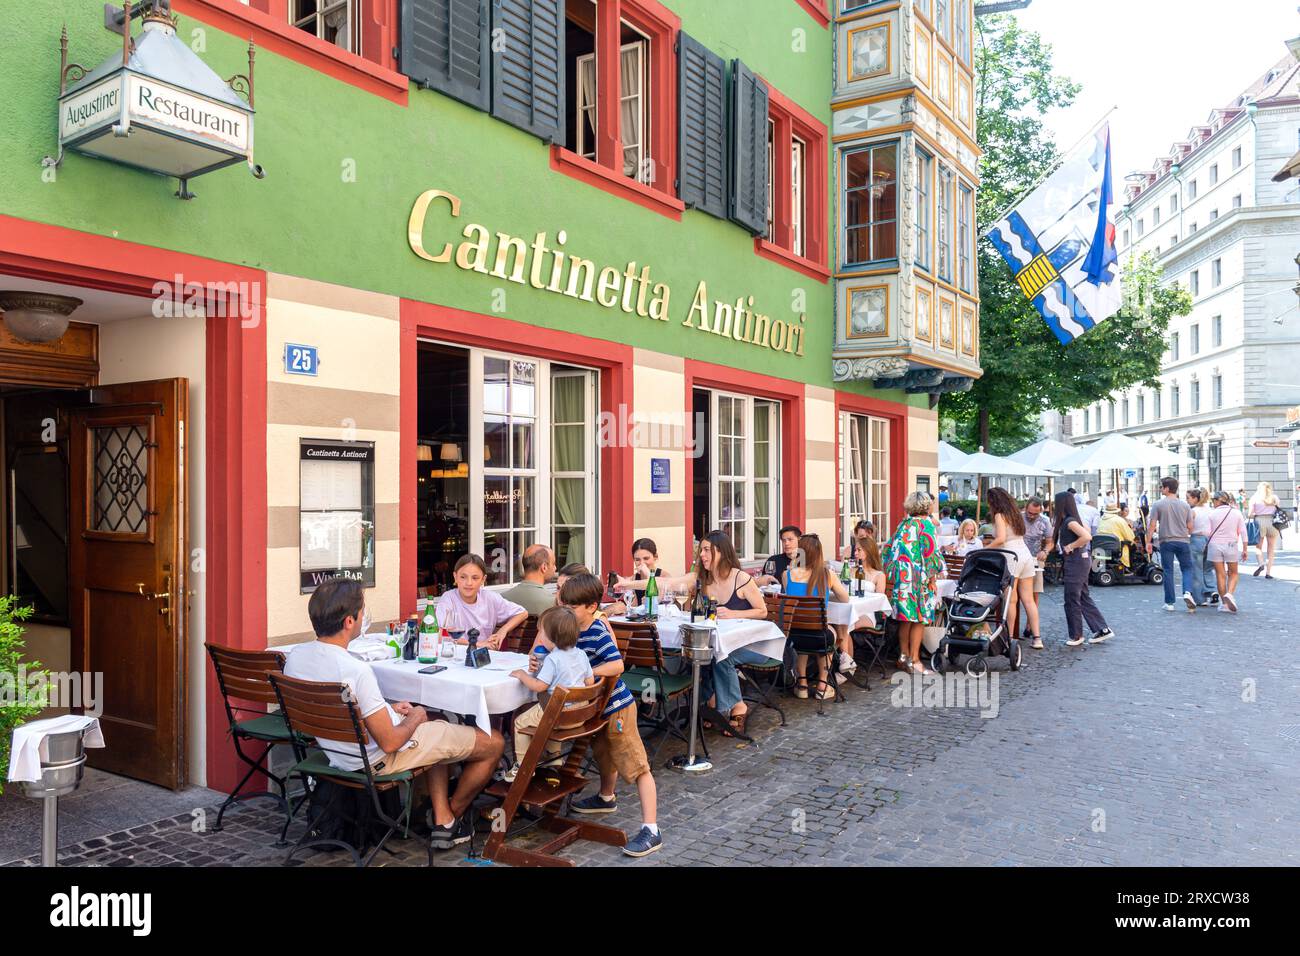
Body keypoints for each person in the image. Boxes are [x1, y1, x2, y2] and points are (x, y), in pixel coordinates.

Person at [284, 578, 504, 850]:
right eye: (362, 610)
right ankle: (448, 818)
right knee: (494, 742)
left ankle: (436, 809)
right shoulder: (355, 670)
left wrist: (390, 709)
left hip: (338, 754)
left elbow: (350, 710)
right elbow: (389, 742)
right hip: (377, 761)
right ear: (350, 621)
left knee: (439, 721)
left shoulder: (296, 657)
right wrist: (416, 716)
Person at [615, 531, 773, 732]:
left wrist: (733, 613)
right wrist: (627, 584)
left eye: (707, 550)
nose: (702, 555)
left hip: (750, 645)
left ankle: (736, 705)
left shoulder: (741, 578)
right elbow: (664, 584)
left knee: (719, 656)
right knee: (696, 654)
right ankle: (709, 704)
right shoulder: (702, 577)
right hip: (716, 642)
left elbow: (763, 611)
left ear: (722, 552)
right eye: (701, 551)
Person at [559, 573, 662, 857]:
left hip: (617, 707)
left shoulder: (596, 631)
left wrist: (591, 672)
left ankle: (652, 829)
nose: (566, 611)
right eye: (564, 605)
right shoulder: (572, 628)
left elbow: (616, 664)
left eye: (572, 607)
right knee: (603, 753)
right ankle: (606, 797)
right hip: (596, 708)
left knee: (636, 763)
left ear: (591, 606)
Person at [505, 605, 593, 782]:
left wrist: (522, 675)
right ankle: (555, 759)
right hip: (579, 715)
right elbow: (589, 682)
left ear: (553, 637)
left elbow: (539, 687)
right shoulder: (581, 654)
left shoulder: (553, 659)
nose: (540, 638)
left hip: (558, 714)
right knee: (551, 717)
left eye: (542, 634)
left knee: (520, 723)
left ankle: (522, 767)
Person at [882, 492, 945, 675]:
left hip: (901, 578)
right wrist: (932, 578)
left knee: (905, 619)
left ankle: (903, 657)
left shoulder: (903, 524)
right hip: (919, 579)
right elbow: (931, 552)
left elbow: (887, 550)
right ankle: (915, 660)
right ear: (927, 506)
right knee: (919, 619)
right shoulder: (926, 525)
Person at [783, 533, 850, 700]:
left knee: (806, 629)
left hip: (793, 635)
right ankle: (822, 683)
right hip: (819, 637)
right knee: (831, 632)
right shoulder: (827, 575)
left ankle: (802, 683)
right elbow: (845, 598)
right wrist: (827, 593)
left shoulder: (787, 575)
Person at [1053, 491, 1114, 647]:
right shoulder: (1072, 520)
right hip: (1081, 560)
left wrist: (1070, 546)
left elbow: (1087, 537)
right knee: (1082, 596)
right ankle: (1102, 629)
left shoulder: (1069, 521)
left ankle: (1076, 635)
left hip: (1076, 561)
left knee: (1072, 598)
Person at [986, 487, 1040, 649]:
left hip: (1011, 557)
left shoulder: (999, 515)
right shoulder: (1015, 514)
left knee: (1011, 600)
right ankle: (1037, 638)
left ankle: (1009, 637)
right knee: (1029, 600)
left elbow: (1001, 539)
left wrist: (985, 548)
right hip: (1025, 554)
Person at [436, 554, 529, 647]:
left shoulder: (490, 598)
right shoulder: (448, 598)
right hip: (455, 654)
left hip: (482, 656)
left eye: (475, 578)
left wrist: (502, 631)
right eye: (463, 577)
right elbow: (439, 636)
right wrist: (478, 644)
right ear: (455, 577)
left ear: (483, 580)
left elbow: (522, 613)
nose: (469, 583)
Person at [1146, 476, 1197, 612]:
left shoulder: (1158, 504)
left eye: (1162, 487)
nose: (1160, 489)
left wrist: (1148, 541)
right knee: (1187, 568)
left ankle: (1169, 603)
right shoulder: (1185, 505)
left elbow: (1151, 525)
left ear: (1167, 488)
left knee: (1168, 571)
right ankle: (1187, 592)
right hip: (1183, 541)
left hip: (1166, 541)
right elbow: (1190, 527)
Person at [1018, 496, 1054, 645]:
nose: (1032, 516)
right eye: (1030, 513)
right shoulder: (1018, 518)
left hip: (1035, 559)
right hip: (1019, 559)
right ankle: (1014, 629)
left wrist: (1045, 551)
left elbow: (1050, 542)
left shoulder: (1045, 521)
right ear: (1026, 508)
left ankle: (1029, 626)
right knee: (1015, 597)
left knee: (1034, 595)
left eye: (1035, 514)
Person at [1206, 490, 1248, 613]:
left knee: (1220, 574)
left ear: (1219, 500)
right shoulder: (1236, 513)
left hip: (1215, 545)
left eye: (1213, 500)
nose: (1212, 502)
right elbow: (1243, 532)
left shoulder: (1212, 514)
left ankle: (1224, 604)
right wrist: (1245, 549)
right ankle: (1229, 594)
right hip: (1231, 545)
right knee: (1233, 573)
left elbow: (1207, 532)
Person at [501, 544, 557, 616]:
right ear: (544, 567)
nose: (555, 568)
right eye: (553, 564)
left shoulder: (502, 599)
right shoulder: (553, 602)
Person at [1186, 487, 1216, 606]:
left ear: (1195, 498)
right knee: (1208, 568)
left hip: (1197, 539)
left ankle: (1200, 599)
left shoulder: (1193, 511)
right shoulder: (1211, 511)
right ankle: (1212, 591)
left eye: (1188, 498)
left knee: (1197, 569)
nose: (1187, 500)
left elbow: (1190, 529)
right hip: (1210, 540)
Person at [1248, 482, 1282, 579]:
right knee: (1271, 548)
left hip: (1259, 522)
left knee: (1258, 547)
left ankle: (1261, 563)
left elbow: (1250, 514)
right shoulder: (1274, 498)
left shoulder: (1254, 498)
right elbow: (1278, 510)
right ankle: (1268, 572)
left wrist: (1256, 513)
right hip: (1272, 522)